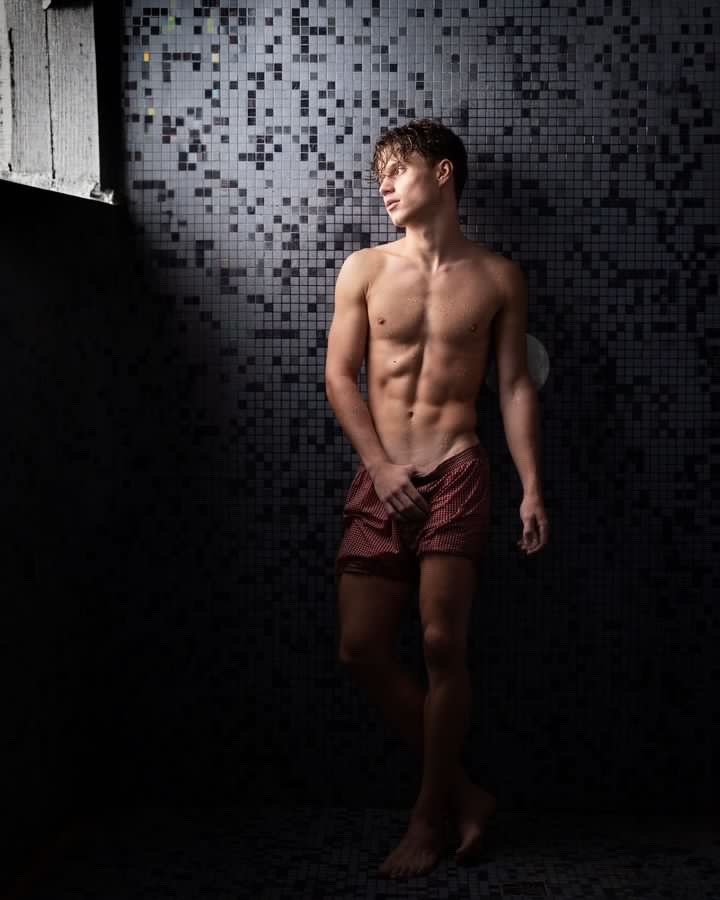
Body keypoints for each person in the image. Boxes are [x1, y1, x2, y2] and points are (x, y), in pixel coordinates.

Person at [325, 118, 550, 880]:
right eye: (380, 176)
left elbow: (513, 387)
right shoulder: (364, 269)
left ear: (444, 173)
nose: (384, 185)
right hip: (383, 474)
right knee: (359, 647)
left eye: (398, 170)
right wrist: (379, 467)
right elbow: (339, 376)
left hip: (457, 469)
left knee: (441, 645)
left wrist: (531, 487)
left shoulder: (498, 277)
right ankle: (464, 792)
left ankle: (428, 817)